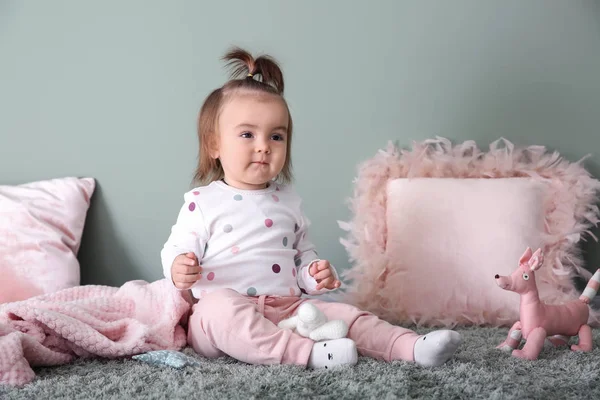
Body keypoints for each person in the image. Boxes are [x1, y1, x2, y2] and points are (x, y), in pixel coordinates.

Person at [161, 47, 461, 369]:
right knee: (217, 309)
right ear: (214, 145)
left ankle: (411, 346)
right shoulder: (202, 201)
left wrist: (314, 274)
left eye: (276, 136)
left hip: (289, 310)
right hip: (222, 321)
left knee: (345, 314)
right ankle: (308, 355)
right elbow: (176, 247)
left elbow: (302, 256)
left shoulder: (288, 201)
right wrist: (179, 266)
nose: (263, 145)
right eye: (247, 134)